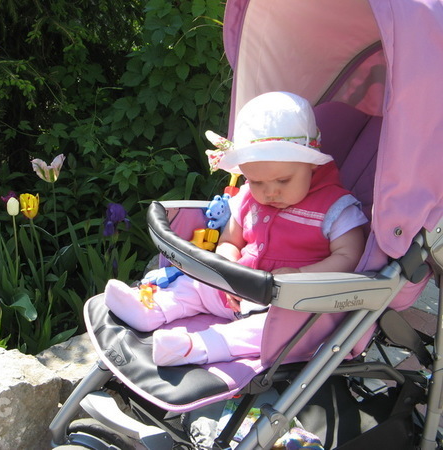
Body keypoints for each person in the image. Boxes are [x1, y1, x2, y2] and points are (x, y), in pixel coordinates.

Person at [104, 92, 368, 366]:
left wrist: (301, 276)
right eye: (257, 182)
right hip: (235, 291)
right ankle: (152, 309)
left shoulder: (335, 208)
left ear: (312, 164)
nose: (270, 192)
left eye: (283, 180)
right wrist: (227, 271)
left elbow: (350, 257)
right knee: (195, 285)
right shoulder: (247, 198)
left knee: (277, 331)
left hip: (287, 303)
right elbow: (230, 241)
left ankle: (199, 346)